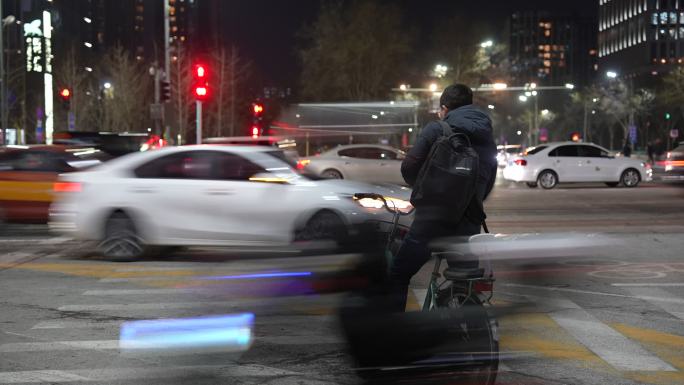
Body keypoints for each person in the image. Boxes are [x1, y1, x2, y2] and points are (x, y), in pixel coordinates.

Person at [389, 84, 497, 312]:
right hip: (468, 222)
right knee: (464, 282)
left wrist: (424, 188)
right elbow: (488, 182)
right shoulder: (487, 135)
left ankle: (391, 335)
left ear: (444, 108)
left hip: (431, 220)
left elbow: (409, 168)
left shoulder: (436, 128)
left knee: (398, 274)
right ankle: (469, 327)